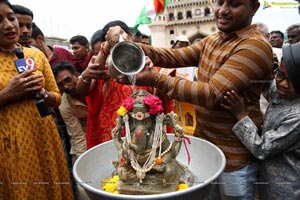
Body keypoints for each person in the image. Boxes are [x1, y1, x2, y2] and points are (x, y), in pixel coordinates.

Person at [105, 0, 273, 199]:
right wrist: (129, 44)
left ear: (254, 8)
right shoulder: (215, 40)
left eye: (235, 4)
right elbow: (173, 57)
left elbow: (212, 94)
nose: (223, 10)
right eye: (220, 2)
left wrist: (155, 78)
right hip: (206, 149)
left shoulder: (255, 46)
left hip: (235, 158)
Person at [0, 1, 74, 199]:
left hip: (44, 137)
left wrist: (42, 93)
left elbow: (56, 98)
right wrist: (7, 94)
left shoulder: (35, 55)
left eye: (10, 17)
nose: (8, 25)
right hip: (9, 145)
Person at [221, 43, 300, 199]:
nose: (283, 83)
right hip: (267, 180)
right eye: (281, 75)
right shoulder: (282, 92)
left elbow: (262, 148)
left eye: (294, 80)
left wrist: (240, 115)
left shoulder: (297, 117)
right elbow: (266, 86)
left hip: (286, 187)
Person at [76, 20, 153, 149]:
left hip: (142, 127)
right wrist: (105, 51)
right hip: (110, 131)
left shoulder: (143, 60)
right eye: (114, 46)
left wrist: (150, 70)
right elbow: (81, 90)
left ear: (131, 37)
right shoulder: (103, 64)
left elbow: (159, 87)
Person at [53, 61, 87, 162]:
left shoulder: (92, 82)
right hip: (86, 138)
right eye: (60, 85)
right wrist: (83, 160)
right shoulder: (64, 105)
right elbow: (77, 136)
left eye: (68, 80)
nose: (66, 87)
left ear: (76, 75)